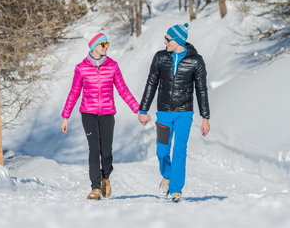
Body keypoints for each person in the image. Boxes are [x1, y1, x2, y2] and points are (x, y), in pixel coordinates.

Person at [61, 33, 139, 200]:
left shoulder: (113, 66)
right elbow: (74, 93)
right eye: (102, 44)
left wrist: (138, 110)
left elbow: (123, 90)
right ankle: (95, 188)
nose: (105, 47)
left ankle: (105, 177)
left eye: (107, 44)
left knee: (107, 151)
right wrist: (65, 116)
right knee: (94, 149)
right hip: (88, 113)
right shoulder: (81, 68)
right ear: (94, 46)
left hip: (107, 113)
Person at [137, 23, 210, 203]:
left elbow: (201, 90)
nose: (165, 42)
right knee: (162, 151)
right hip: (163, 113)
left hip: (184, 113)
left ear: (177, 40)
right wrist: (143, 109)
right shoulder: (160, 57)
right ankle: (167, 175)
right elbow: (151, 84)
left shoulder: (196, 61)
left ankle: (176, 190)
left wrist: (205, 118)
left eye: (168, 39)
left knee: (179, 150)